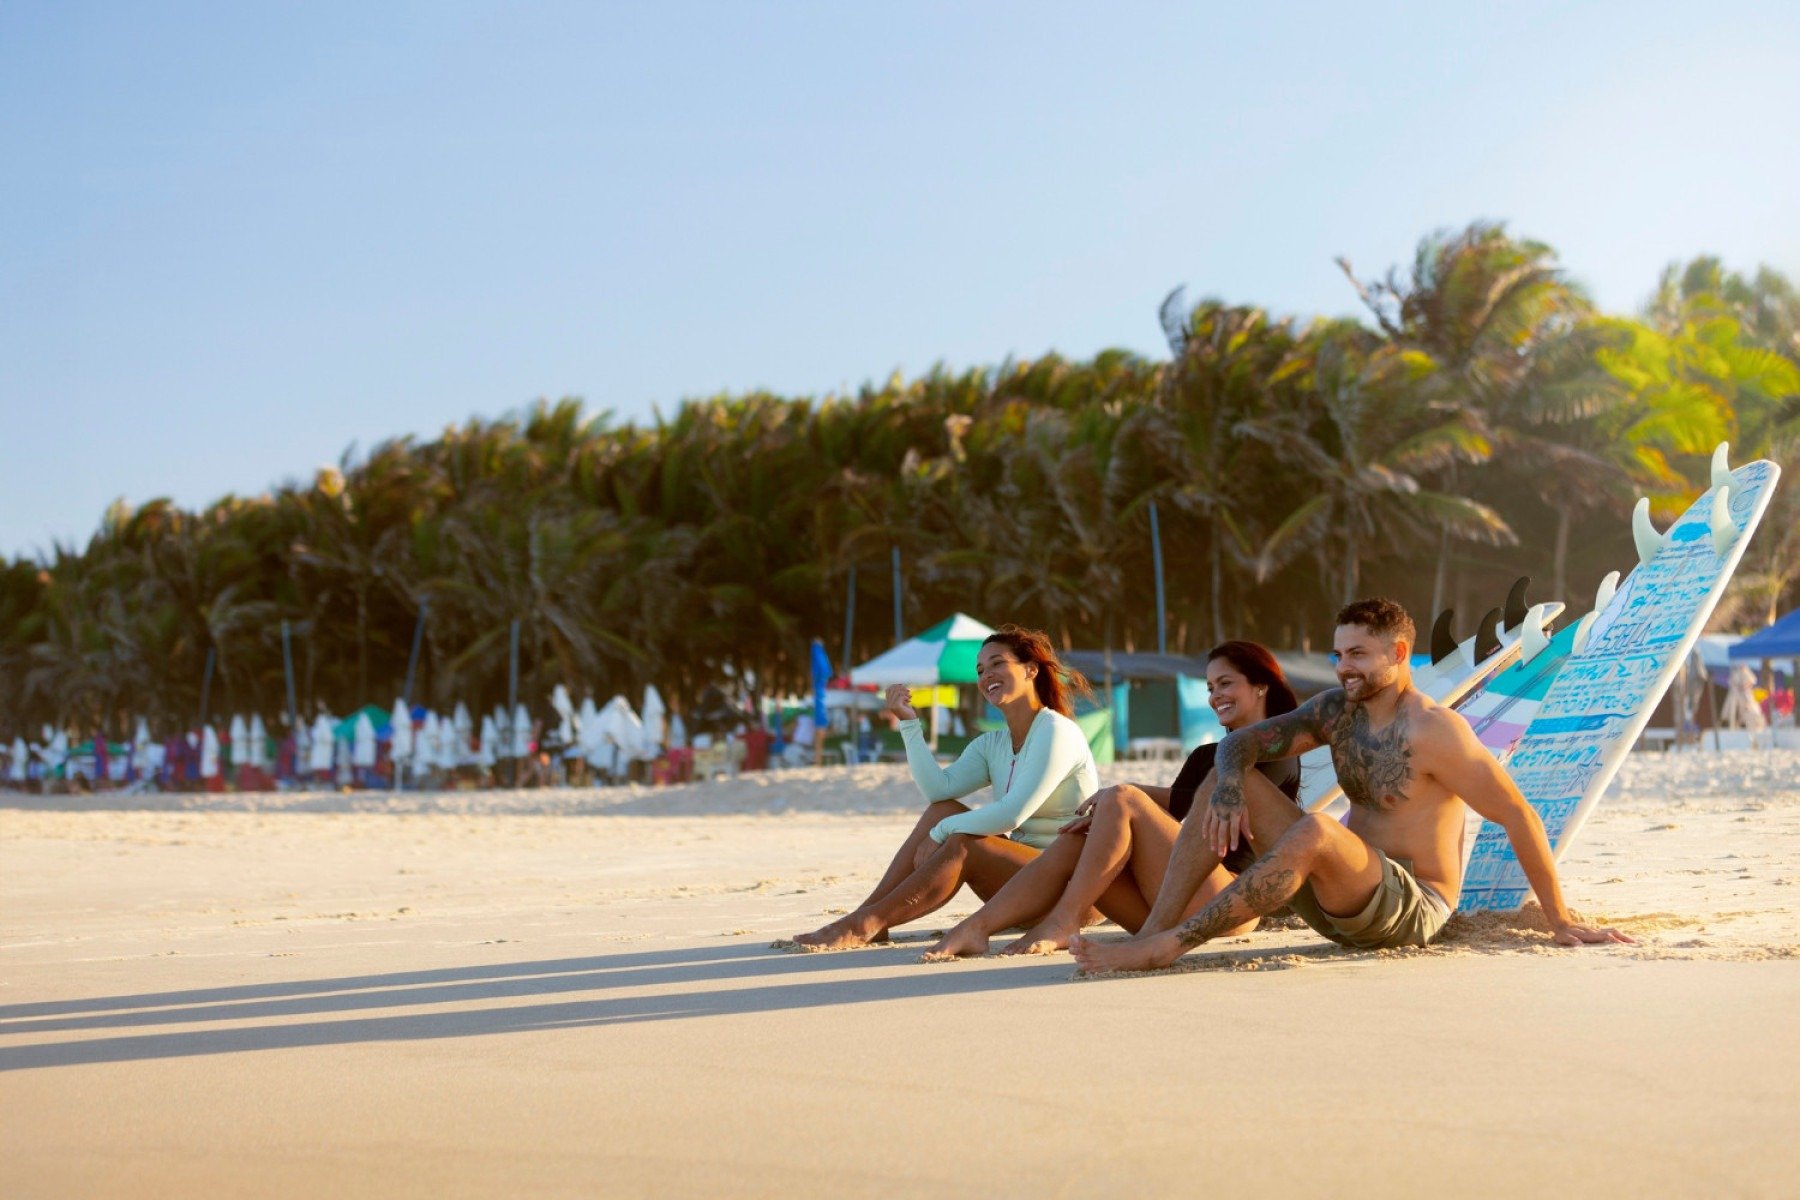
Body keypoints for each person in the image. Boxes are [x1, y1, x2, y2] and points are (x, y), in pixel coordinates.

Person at [1071, 598, 1633, 974]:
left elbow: (1517, 814)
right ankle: (1154, 930)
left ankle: (1169, 946)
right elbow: (1240, 744)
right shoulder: (1335, 712)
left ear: (1399, 654)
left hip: (1410, 908)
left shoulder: (1435, 731)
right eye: (1338, 655)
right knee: (1224, 779)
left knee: (1317, 826)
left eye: (1358, 654)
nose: (1344, 667)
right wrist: (1227, 787)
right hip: (1337, 893)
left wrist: (1560, 920)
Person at [928, 641, 1300, 958]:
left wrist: (1122, 796)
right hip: (1171, 907)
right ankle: (978, 927)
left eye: (1225, 683)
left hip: (1231, 900)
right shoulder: (1207, 755)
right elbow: (1179, 805)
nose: (1215, 695)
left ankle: (1063, 920)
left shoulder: (1275, 749)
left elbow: (1221, 805)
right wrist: (1107, 801)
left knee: (1123, 796)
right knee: (1081, 836)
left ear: (1261, 686)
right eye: (1209, 687)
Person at [786, 625, 1099, 950]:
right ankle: (868, 914)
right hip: (1021, 884)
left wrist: (941, 833)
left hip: (1072, 889)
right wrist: (909, 723)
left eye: (997, 663)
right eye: (980, 669)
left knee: (963, 838)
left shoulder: (1056, 731)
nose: (986, 674)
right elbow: (939, 790)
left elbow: (1011, 815)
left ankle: (870, 921)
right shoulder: (993, 743)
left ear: (1030, 669)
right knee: (942, 810)